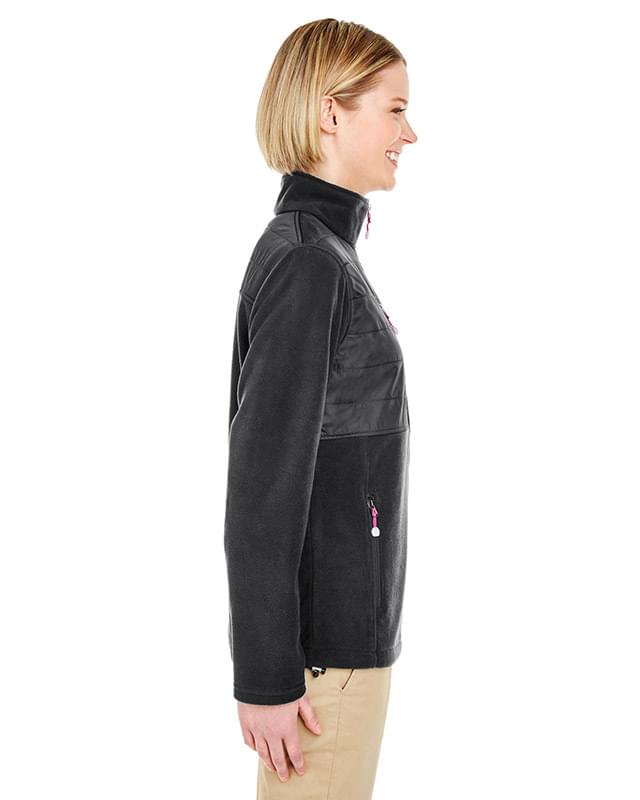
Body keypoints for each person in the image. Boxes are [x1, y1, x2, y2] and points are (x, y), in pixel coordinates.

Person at [223, 18, 417, 799]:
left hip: (340, 647)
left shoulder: (323, 254)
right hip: (322, 665)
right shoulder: (309, 263)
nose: (410, 133)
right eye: (395, 109)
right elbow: (263, 485)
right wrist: (267, 677)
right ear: (332, 112)